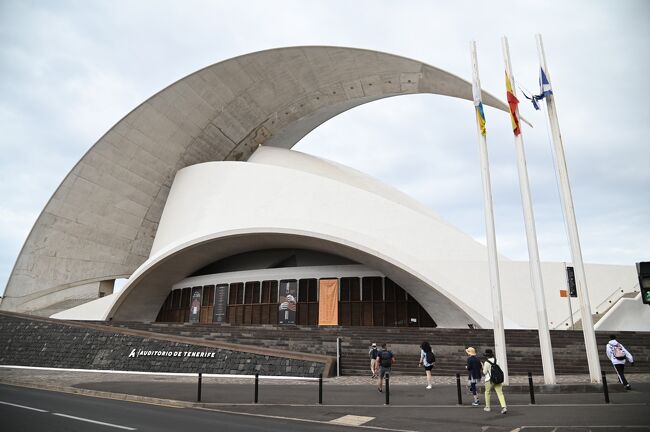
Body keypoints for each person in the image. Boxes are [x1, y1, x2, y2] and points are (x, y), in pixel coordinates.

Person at [482, 348, 507, 414]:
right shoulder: (496, 360)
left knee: (487, 392)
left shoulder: (486, 362)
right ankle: (504, 407)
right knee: (500, 393)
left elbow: (484, 372)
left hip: (489, 380)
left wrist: (482, 367)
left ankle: (488, 407)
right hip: (498, 379)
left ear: (486, 355)